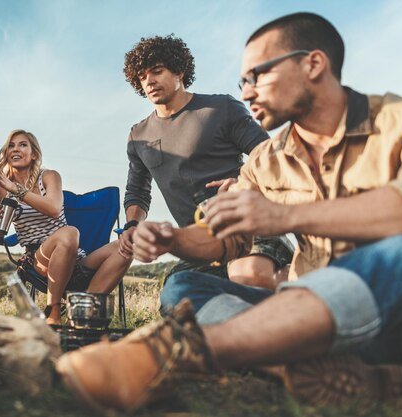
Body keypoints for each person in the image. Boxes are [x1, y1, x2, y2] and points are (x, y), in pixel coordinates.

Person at [55, 12, 402, 412]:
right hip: (337, 336)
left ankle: (180, 354)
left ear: (313, 64)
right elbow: (224, 238)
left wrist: (285, 217)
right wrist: (174, 239)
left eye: (258, 75)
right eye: (242, 80)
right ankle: (312, 369)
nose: (246, 92)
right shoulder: (266, 161)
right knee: (186, 288)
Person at [120, 34, 294, 291]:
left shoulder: (221, 108)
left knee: (248, 275)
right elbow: (137, 192)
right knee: (178, 293)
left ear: (179, 71)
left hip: (248, 226)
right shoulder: (138, 136)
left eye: (157, 71)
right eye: (142, 77)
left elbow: (268, 156)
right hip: (198, 243)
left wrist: (243, 183)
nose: (150, 81)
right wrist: (133, 225)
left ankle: (303, 283)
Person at [0, 129, 132, 325]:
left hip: (74, 257)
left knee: (126, 246)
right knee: (69, 233)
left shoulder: (49, 177)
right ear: (6, 153)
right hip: (38, 258)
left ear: (34, 155)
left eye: (23, 145)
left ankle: (82, 310)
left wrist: (18, 191)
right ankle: (53, 310)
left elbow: (54, 209)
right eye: (11, 146)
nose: (16, 149)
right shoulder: (2, 189)